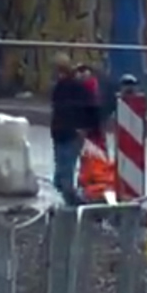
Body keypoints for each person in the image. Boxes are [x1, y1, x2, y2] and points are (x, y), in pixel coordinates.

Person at [49, 53, 98, 206]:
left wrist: (83, 128)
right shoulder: (62, 87)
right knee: (60, 176)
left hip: (69, 135)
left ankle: (73, 206)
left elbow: (90, 109)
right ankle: (72, 202)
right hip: (62, 134)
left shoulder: (74, 87)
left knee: (64, 174)